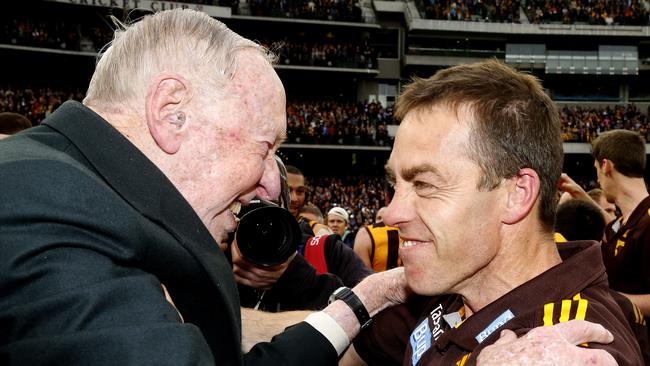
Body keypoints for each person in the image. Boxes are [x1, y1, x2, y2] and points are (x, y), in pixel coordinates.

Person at [0, 9, 409, 365]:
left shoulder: (81, 196)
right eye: (265, 147)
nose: (271, 184)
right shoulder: (49, 206)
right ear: (172, 113)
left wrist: (360, 303)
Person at [349, 60, 643, 365]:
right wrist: (362, 300)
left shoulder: (572, 344)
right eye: (394, 183)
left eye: (424, 184)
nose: (392, 213)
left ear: (517, 194)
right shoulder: (447, 291)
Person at [592, 130, 650, 318]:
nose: (597, 180)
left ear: (606, 165)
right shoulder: (616, 226)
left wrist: (605, 299)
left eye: (596, 170)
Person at [354, 206, 403, 271]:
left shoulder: (364, 234)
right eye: (379, 218)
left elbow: (362, 274)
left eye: (387, 217)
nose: (382, 221)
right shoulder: (407, 234)